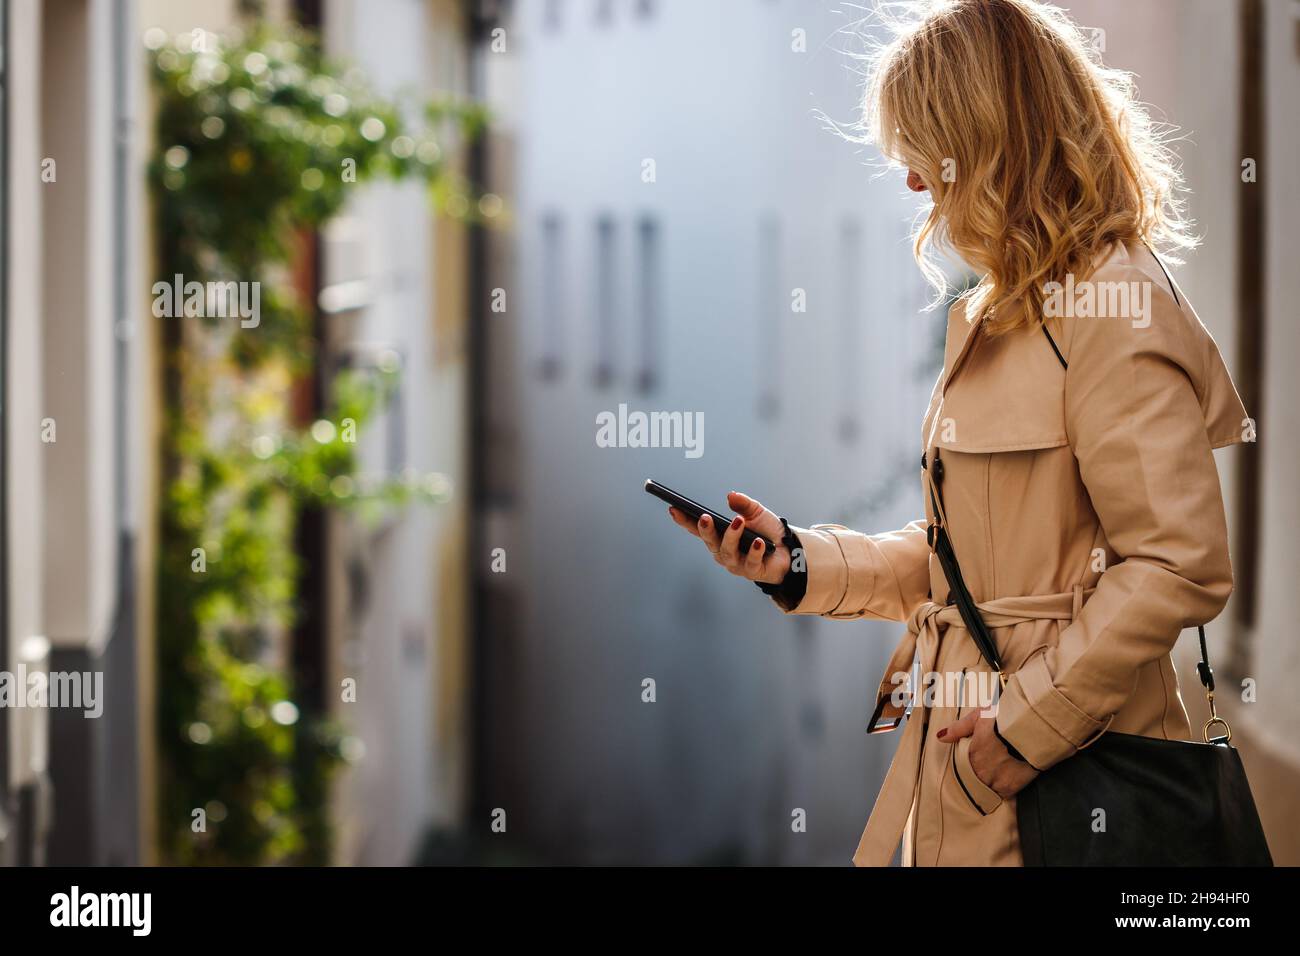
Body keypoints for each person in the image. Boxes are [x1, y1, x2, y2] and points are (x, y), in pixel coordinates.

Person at [664, 0, 1250, 866]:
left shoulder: (1114, 308)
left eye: (920, 144)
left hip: (1074, 789)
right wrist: (797, 561)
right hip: (973, 782)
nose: (909, 181)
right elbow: (970, 569)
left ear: (985, 139)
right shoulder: (1001, 309)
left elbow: (1177, 563)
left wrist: (1021, 729)